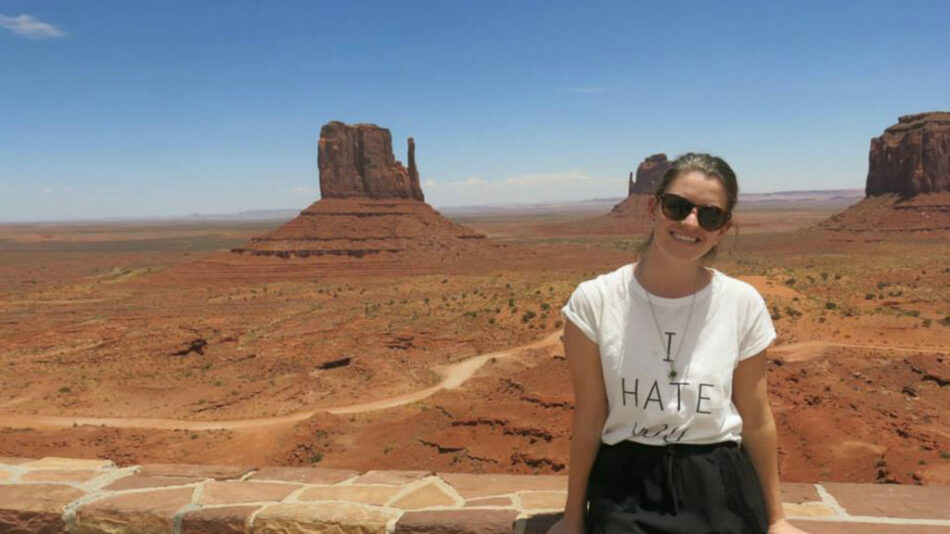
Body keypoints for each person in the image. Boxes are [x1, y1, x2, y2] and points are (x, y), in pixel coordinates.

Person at [547, 153, 808, 534]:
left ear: (723, 228)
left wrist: (778, 519)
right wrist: (573, 518)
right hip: (626, 485)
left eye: (710, 215)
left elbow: (756, 419)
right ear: (653, 207)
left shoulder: (741, 303)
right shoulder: (595, 300)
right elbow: (589, 418)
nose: (690, 222)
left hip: (719, 482)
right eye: (677, 206)